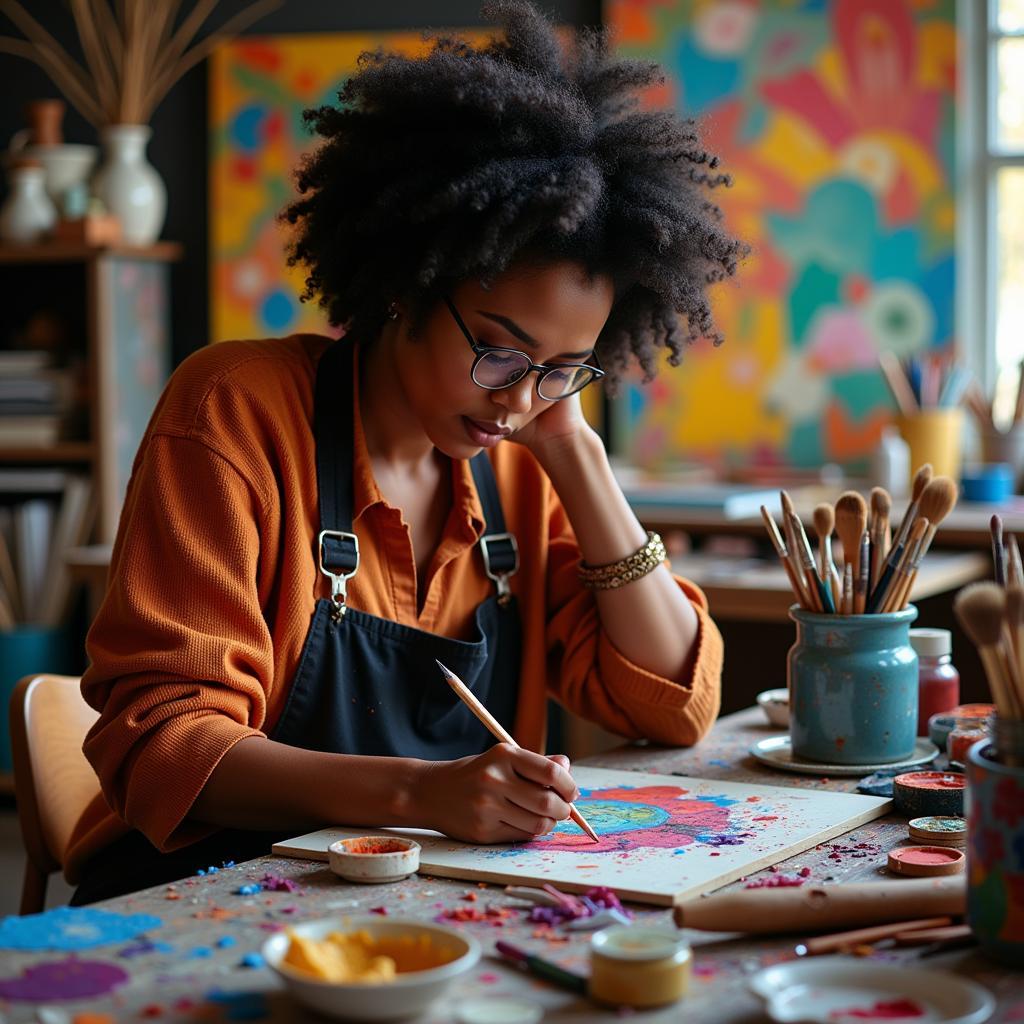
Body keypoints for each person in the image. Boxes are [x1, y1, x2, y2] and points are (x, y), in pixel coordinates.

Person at [66, 1, 744, 904]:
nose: (516, 399)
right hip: (204, 891)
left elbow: (671, 701)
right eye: (499, 350)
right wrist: (420, 794)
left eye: (564, 368)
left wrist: (574, 450)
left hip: (413, 904)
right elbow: (166, 740)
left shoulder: (520, 461)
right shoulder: (236, 410)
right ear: (404, 287)